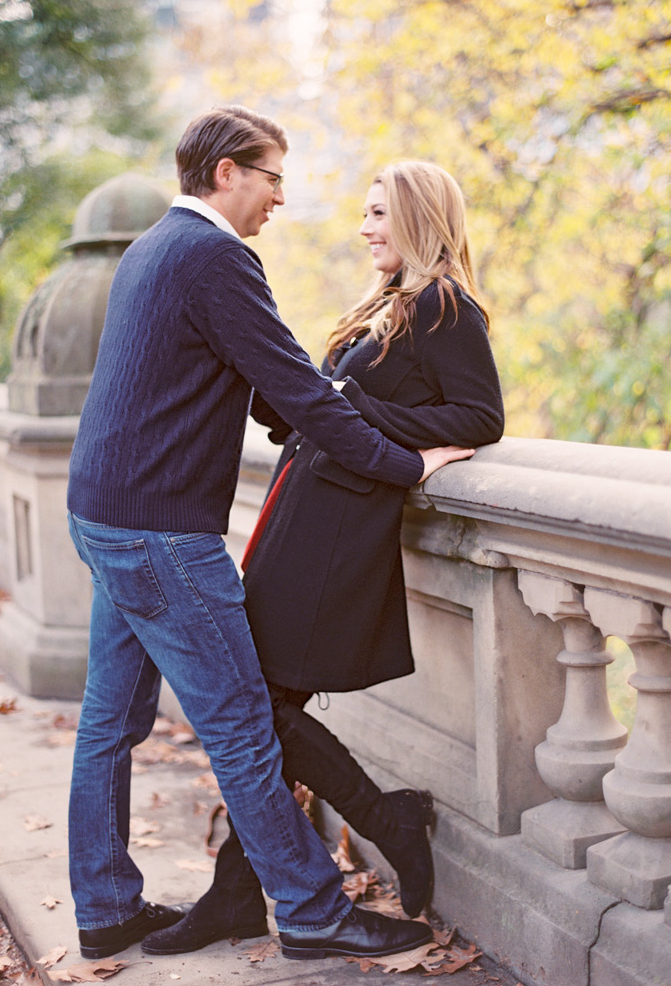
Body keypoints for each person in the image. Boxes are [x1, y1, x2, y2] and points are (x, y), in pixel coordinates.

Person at [65, 108, 473, 963]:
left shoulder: (151, 249)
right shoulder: (218, 256)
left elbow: (234, 381)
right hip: (160, 531)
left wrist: (306, 406)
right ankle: (313, 911)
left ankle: (105, 906)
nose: (281, 197)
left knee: (110, 721)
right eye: (272, 177)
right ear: (225, 174)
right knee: (245, 722)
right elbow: (298, 391)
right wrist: (408, 464)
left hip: (103, 513)